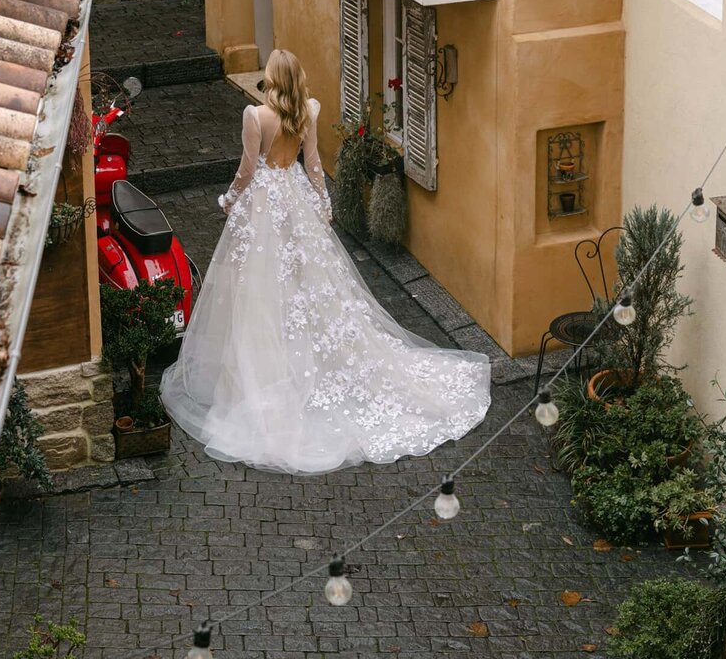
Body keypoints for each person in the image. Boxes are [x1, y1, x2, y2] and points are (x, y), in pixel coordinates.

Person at [160, 49, 491, 473]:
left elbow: (247, 169)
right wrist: (323, 202)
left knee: (259, 287)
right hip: (295, 197)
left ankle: (264, 367)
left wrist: (229, 198)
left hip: (265, 203)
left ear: (272, 78)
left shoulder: (255, 116)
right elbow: (313, 164)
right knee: (311, 281)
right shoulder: (308, 112)